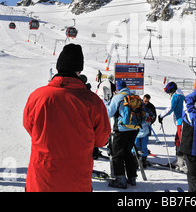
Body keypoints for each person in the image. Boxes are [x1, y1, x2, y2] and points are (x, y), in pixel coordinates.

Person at [23, 44, 111, 192]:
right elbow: (102, 139)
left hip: (41, 177)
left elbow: (29, 126)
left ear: (58, 68)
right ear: (79, 70)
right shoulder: (92, 101)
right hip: (76, 178)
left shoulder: (37, 96)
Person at [106, 80, 141, 189]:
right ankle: (132, 178)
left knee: (117, 154)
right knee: (128, 152)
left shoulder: (118, 97)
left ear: (118, 88)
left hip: (121, 129)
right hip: (134, 129)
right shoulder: (133, 95)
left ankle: (120, 180)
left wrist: (107, 104)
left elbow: (109, 113)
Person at [158, 82, 186, 171]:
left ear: (172, 90)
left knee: (180, 141)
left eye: (169, 92)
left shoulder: (176, 96)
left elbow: (170, 108)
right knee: (178, 140)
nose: (169, 94)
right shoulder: (181, 94)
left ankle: (182, 162)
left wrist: (161, 116)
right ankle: (180, 161)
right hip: (181, 121)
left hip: (180, 122)